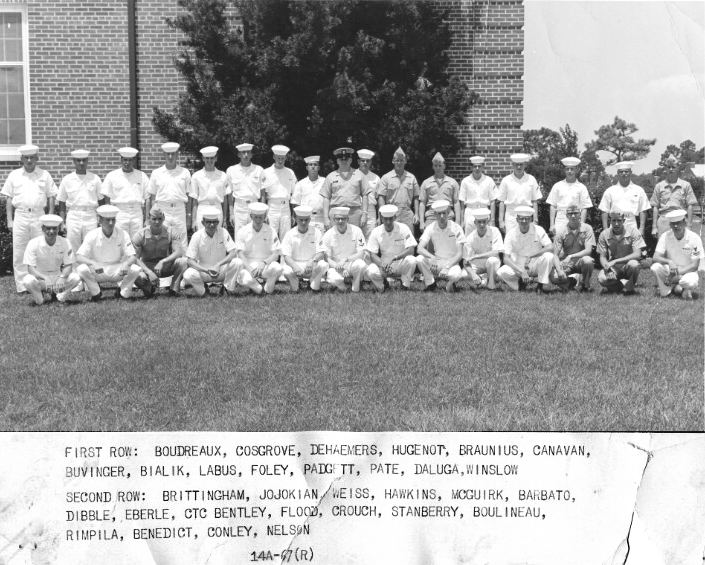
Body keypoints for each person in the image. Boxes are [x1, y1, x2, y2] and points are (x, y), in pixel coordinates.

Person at [1, 144, 57, 292]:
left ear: (37, 158)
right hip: (21, 215)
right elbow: (8, 198)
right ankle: (21, 286)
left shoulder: (44, 175)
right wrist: (9, 220)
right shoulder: (14, 175)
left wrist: (50, 218)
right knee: (19, 251)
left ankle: (41, 283)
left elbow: (51, 196)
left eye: (32, 157)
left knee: (40, 250)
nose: (29, 160)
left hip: (39, 216)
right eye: (26, 158)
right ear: (22, 159)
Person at [75, 204, 143, 301]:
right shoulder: (92, 234)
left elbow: (133, 256)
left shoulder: (123, 234)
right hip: (99, 270)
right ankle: (96, 293)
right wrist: (92, 263)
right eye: (107, 220)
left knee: (135, 269)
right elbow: (78, 257)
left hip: (117, 270)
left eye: (113, 219)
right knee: (81, 269)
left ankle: (122, 293)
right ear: (100, 220)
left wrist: (126, 264)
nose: (111, 223)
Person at [181, 206, 240, 297]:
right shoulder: (196, 236)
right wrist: (206, 270)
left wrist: (218, 265)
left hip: (220, 270)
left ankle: (226, 288)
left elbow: (233, 253)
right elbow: (190, 260)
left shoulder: (223, 232)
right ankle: (204, 292)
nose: (212, 225)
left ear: (218, 222)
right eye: (208, 222)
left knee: (237, 262)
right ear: (203, 223)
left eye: (214, 222)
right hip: (204, 271)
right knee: (188, 274)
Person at [22, 214, 81, 304]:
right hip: (41, 278)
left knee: (76, 278)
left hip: (58, 277)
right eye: (48, 228)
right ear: (42, 229)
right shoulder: (33, 243)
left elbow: (69, 265)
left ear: (58, 229)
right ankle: (40, 299)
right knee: (27, 280)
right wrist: (44, 278)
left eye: (54, 228)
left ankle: (60, 297)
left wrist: (62, 277)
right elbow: (31, 269)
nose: (51, 231)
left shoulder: (65, 242)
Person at [497, 205, 555, 293]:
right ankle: (519, 285)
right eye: (521, 218)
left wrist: (532, 256)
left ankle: (540, 285)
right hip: (518, 266)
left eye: (527, 218)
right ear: (517, 219)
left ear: (531, 219)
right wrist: (521, 271)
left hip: (535, 264)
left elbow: (550, 247)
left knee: (549, 256)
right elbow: (506, 258)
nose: (524, 221)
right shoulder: (510, 233)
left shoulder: (538, 229)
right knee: (501, 272)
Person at [132, 206, 188, 297]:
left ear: (164, 218)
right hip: (147, 266)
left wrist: (162, 261)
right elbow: (134, 258)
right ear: (148, 219)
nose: (157, 222)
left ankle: (174, 288)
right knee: (133, 270)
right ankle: (148, 288)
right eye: (154, 219)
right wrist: (149, 272)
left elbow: (179, 252)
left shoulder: (171, 231)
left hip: (165, 266)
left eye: (159, 219)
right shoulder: (140, 235)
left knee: (184, 261)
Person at [56, 149, 103, 253]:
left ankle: (90, 269)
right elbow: (62, 202)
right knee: (72, 246)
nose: (81, 163)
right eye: (78, 160)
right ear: (74, 161)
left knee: (91, 245)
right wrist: (62, 222)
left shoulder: (95, 179)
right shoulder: (67, 179)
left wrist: (101, 219)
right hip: (73, 215)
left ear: (87, 161)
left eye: (84, 160)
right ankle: (74, 269)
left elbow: (101, 201)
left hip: (90, 215)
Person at [650, 209, 704, 300]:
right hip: (671, 269)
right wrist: (669, 262)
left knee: (691, 282)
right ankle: (667, 291)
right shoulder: (665, 236)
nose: (676, 226)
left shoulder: (695, 238)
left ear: (684, 223)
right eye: (673, 223)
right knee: (655, 267)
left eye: (678, 223)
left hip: (688, 271)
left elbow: (694, 266)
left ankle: (681, 287)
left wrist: (675, 275)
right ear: (670, 225)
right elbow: (655, 257)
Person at [233, 202, 284, 294]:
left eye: (261, 217)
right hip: (248, 266)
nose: (258, 220)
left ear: (265, 217)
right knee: (246, 280)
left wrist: (264, 263)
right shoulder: (242, 231)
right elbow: (240, 254)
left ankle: (268, 289)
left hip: (265, 265)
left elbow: (276, 254)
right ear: (251, 216)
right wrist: (250, 269)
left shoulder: (271, 231)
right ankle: (259, 289)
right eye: (255, 217)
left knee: (278, 268)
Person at [365, 204, 419, 292]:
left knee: (412, 260)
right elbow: (372, 254)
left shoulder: (403, 228)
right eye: (385, 219)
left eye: (390, 219)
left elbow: (411, 250)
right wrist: (382, 264)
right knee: (371, 270)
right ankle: (382, 285)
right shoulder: (376, 231)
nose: (388, 222)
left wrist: (396, 257)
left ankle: (405, 285)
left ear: (395, 217)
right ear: (381, 219)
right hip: (384, 265)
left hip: (400, 263)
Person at [416, 200, 464, 292]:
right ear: (435, 214)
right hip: (437, 262)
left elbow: (460, 254)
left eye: (444, 213)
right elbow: (419, 248)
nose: (442, 216)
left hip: (452, 263)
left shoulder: (456, 228)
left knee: (456, 275)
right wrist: (432, 257)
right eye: (439, 214)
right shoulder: (431, 227)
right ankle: (431, 284)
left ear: (448, 213)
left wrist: (447, 267)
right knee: (419, 259)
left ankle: (450, 284)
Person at [101, 147, 149, 240]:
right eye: (125, 160)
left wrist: (147, 219)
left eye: (130, 160)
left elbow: (147, 198)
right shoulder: (112, 176)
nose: (127, 163)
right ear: (121, 160)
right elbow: (106, 197)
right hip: (119, 212)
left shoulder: (142, 176)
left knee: (137, 240)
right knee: (120, 240)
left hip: (136, 212)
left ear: (134, 161)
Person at [147, 142, 193, 241]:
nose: (170, 156)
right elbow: (153, 198)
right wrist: (153, 217)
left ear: (177, 154)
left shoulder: (185, 173)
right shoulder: (156, 173)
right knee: (163, 241)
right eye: (168, 154)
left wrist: (189, 217)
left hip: (179, 210)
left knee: (182, 242)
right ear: (164, 155)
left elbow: (189, 197)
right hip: (163, 211)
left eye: (173, 153)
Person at [596, 210, 645, 294]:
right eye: (613, 220)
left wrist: (615, 261)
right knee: (602, 279)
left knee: (634, 264)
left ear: (624, 220)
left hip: (628, 264)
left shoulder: (633, 232)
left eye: (619, 220)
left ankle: (629, 287)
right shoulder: (604, 234)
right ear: (610, 221)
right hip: (614, 267)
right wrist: (608, 269)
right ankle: (621, 285)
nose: (616, 224)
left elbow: (637, 254)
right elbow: (602, 257)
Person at [280, 205, 328, 292]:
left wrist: (312, 261)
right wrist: (295, 266)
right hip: (295, 265)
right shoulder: (289, 234)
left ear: (309, 219)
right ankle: (296, 284)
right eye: (300, 220)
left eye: (306, 220)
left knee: (323, 265)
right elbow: (286, 256)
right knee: (285, 269)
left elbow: (321, 252)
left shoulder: (316, 232)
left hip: (311, 265)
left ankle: (313, 284)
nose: (303, 222)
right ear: (295, 219)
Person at [320, 147, 370, 230]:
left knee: (354, 238)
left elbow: (365, 195)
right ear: (337, 161)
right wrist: (325, 217)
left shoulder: (359, 175)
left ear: (350, 160)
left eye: (346, 159)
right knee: (335, 240)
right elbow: (326, 197)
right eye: (341, 159)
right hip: (336, 213)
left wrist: (364, 214)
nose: (344, 161)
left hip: (354, 213)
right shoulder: (330, 176)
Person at [320, 206, 368, 292]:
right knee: (335, 279)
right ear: (334, 220)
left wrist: (346, 259)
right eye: (338, 219)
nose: (340, 221)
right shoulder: (328, 234)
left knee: (361, 265)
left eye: (343, 219)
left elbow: (362, 253)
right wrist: (338, 267)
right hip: (336, 266)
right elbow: (326, 258)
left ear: (348, 219)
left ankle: (355, 287)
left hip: (351, 264)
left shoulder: (357, 231)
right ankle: (345, 287)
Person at [550, 204, 595, 292]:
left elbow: (588, 251)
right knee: (554, 277)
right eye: (570, 214)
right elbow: (555, 255)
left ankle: (585, 285)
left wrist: (571, 256)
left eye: (576, 213)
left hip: (580, 260)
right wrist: (559, 270)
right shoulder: (561, 231)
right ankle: (571, 281)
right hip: (567, 263)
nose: (573, 216)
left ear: (580, 214)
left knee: (588, 261)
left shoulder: (587, 228)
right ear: (567, 216)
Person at [650, 155, 698, 237]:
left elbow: (690, 205)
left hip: (680, 220)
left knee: (682, 247)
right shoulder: (659, 186)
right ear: (666, 169)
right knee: (663, 248)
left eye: (673, 167)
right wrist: (654, 227)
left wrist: (689, 225)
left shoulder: (686, 185)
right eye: (669, 167)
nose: (671, 169)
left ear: (678, 168)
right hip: (664, 221)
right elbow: (655, 207)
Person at [598, 161, 650, 236]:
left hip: (631, 224)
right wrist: (605, 229)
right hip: (614, 224)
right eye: (621, 172)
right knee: (615, 247)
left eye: (626, 171)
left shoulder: (639, 190)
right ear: (617, 173)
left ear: (630, 172)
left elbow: (643, 210)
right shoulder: (610, 191)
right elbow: (604, 210)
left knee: (633, 247)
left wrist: (641, 228)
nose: (624, 174)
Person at [226, 142, 265, 234]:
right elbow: (229, 194)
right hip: (239, 207)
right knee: (240, 236)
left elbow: (263, 193)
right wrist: (231, 214)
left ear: (251, 154)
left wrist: (263, 212)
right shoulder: (231, 170)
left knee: (255, 236)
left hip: (255, 206)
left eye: (248, 152)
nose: (246, 155)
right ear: (239, 154)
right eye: (243, 152)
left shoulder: (259, 170)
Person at [546, 156, 592, 235]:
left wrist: (582, 226)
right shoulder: (557, 186)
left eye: (572, 169)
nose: (569, 171)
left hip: (575, 220)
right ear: (564, 170)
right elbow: (552, 206)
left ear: (576, 170)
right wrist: (552, 225)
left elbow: (584, 208)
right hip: (560, 220)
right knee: (558, 246)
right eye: (567, 169)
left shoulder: (582, 187)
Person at [377, 147, 419, 233]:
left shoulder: (412, 178)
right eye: (397, 160)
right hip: (391, 214)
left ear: (405, 161)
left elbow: (416, 197)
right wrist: (381, 215)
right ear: (393, 161)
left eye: (401, 160)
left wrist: (417, 214)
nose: (399, 163)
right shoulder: (386, 178)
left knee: (408, 241)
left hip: (407, 214)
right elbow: (381, 198)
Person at [497, 153, 541, 234]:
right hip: (511, 216)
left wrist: (535, 219)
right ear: (513, 165)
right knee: (511, 241)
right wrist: (501, 221)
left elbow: (535, 201)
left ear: (525, 165)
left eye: (521, 164)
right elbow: (501, 202)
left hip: (526, 214)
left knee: (527, 241)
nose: (519, 167)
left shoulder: (531, 179)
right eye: (516, 164)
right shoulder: (506, 180)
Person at [461, 208, 503, 290]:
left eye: (484, 222)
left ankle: (491, 284)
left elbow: (496, 252)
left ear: (487, 221)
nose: (482, 225)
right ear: (475, 223)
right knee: (463, 275)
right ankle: (481, 280)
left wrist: (476, 256)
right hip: (478, 264)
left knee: (492, 261)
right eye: (479, 222)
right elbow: (465, 261)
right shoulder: (470, 237)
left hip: (491, 262)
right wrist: (473, 275)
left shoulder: (495, 231)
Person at [262, 144, 297, 240]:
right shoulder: (266, 172)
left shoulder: (290, 173)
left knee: (286, 237)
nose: (280, 160)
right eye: (278, 158)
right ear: (274, 157)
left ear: (286, 158)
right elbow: (263, 195)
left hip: (286, 208)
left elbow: (294, 195)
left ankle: (283, 255)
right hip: (272, 208)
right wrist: (264, 213)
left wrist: (294, 214)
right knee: (270, 236)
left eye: (282, 158)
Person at [190, 146, 231, 229]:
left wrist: (224, 220)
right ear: (203, 159)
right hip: (202, 209)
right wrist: (194, 220)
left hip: (217, 209)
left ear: (216, 158)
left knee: (218, 239)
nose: (209, 161)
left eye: (212, 158)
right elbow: (194, 200)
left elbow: (225, 199)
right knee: (202, 239)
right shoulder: (196, 176)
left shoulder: (223, 176)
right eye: (207, 158)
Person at [418, 152, 461, 231]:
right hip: (431, 217)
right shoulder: (426, 183)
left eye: (440, 166)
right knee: (430, 242)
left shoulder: (452, 182)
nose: (438, 168)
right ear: (433, 167)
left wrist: (458, 221)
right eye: (435, 166)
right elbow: (422, 203)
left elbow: (456, 202)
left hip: (448, 216)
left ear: (444, 166)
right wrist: (421, 222)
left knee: (449, 241)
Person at [459, 155, 497, 235]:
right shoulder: (465, 181)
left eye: (479, 166)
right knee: (468, 239)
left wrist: (492, 220)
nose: (477, 168)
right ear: (471, 168)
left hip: (484, 211)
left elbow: (493, 201)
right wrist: (462, 221)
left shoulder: (489, 181)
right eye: (474, 166)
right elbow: (462, 203)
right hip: (470, 212)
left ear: (482, 167)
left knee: (486, 238)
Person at [291, 155, 326, 233]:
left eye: (315, 164)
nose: (313, 167)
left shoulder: (325, 182)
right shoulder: (300, 184)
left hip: (321, 219)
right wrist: (298, 219)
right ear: (307, 168)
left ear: (319, 167)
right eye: (310, 165)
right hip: (305, 219)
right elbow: (296, 203)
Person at [357, 149, 380, 239]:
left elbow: (379, 199)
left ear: (370, 162)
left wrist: (379, 217)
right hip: (356, 210)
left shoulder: (376, 178)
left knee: (370, 238)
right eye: (363, 161)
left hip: (371, 211)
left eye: (367, 161)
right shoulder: (352, 175)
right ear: (358, 162)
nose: (365, 163)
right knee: (356, 238)